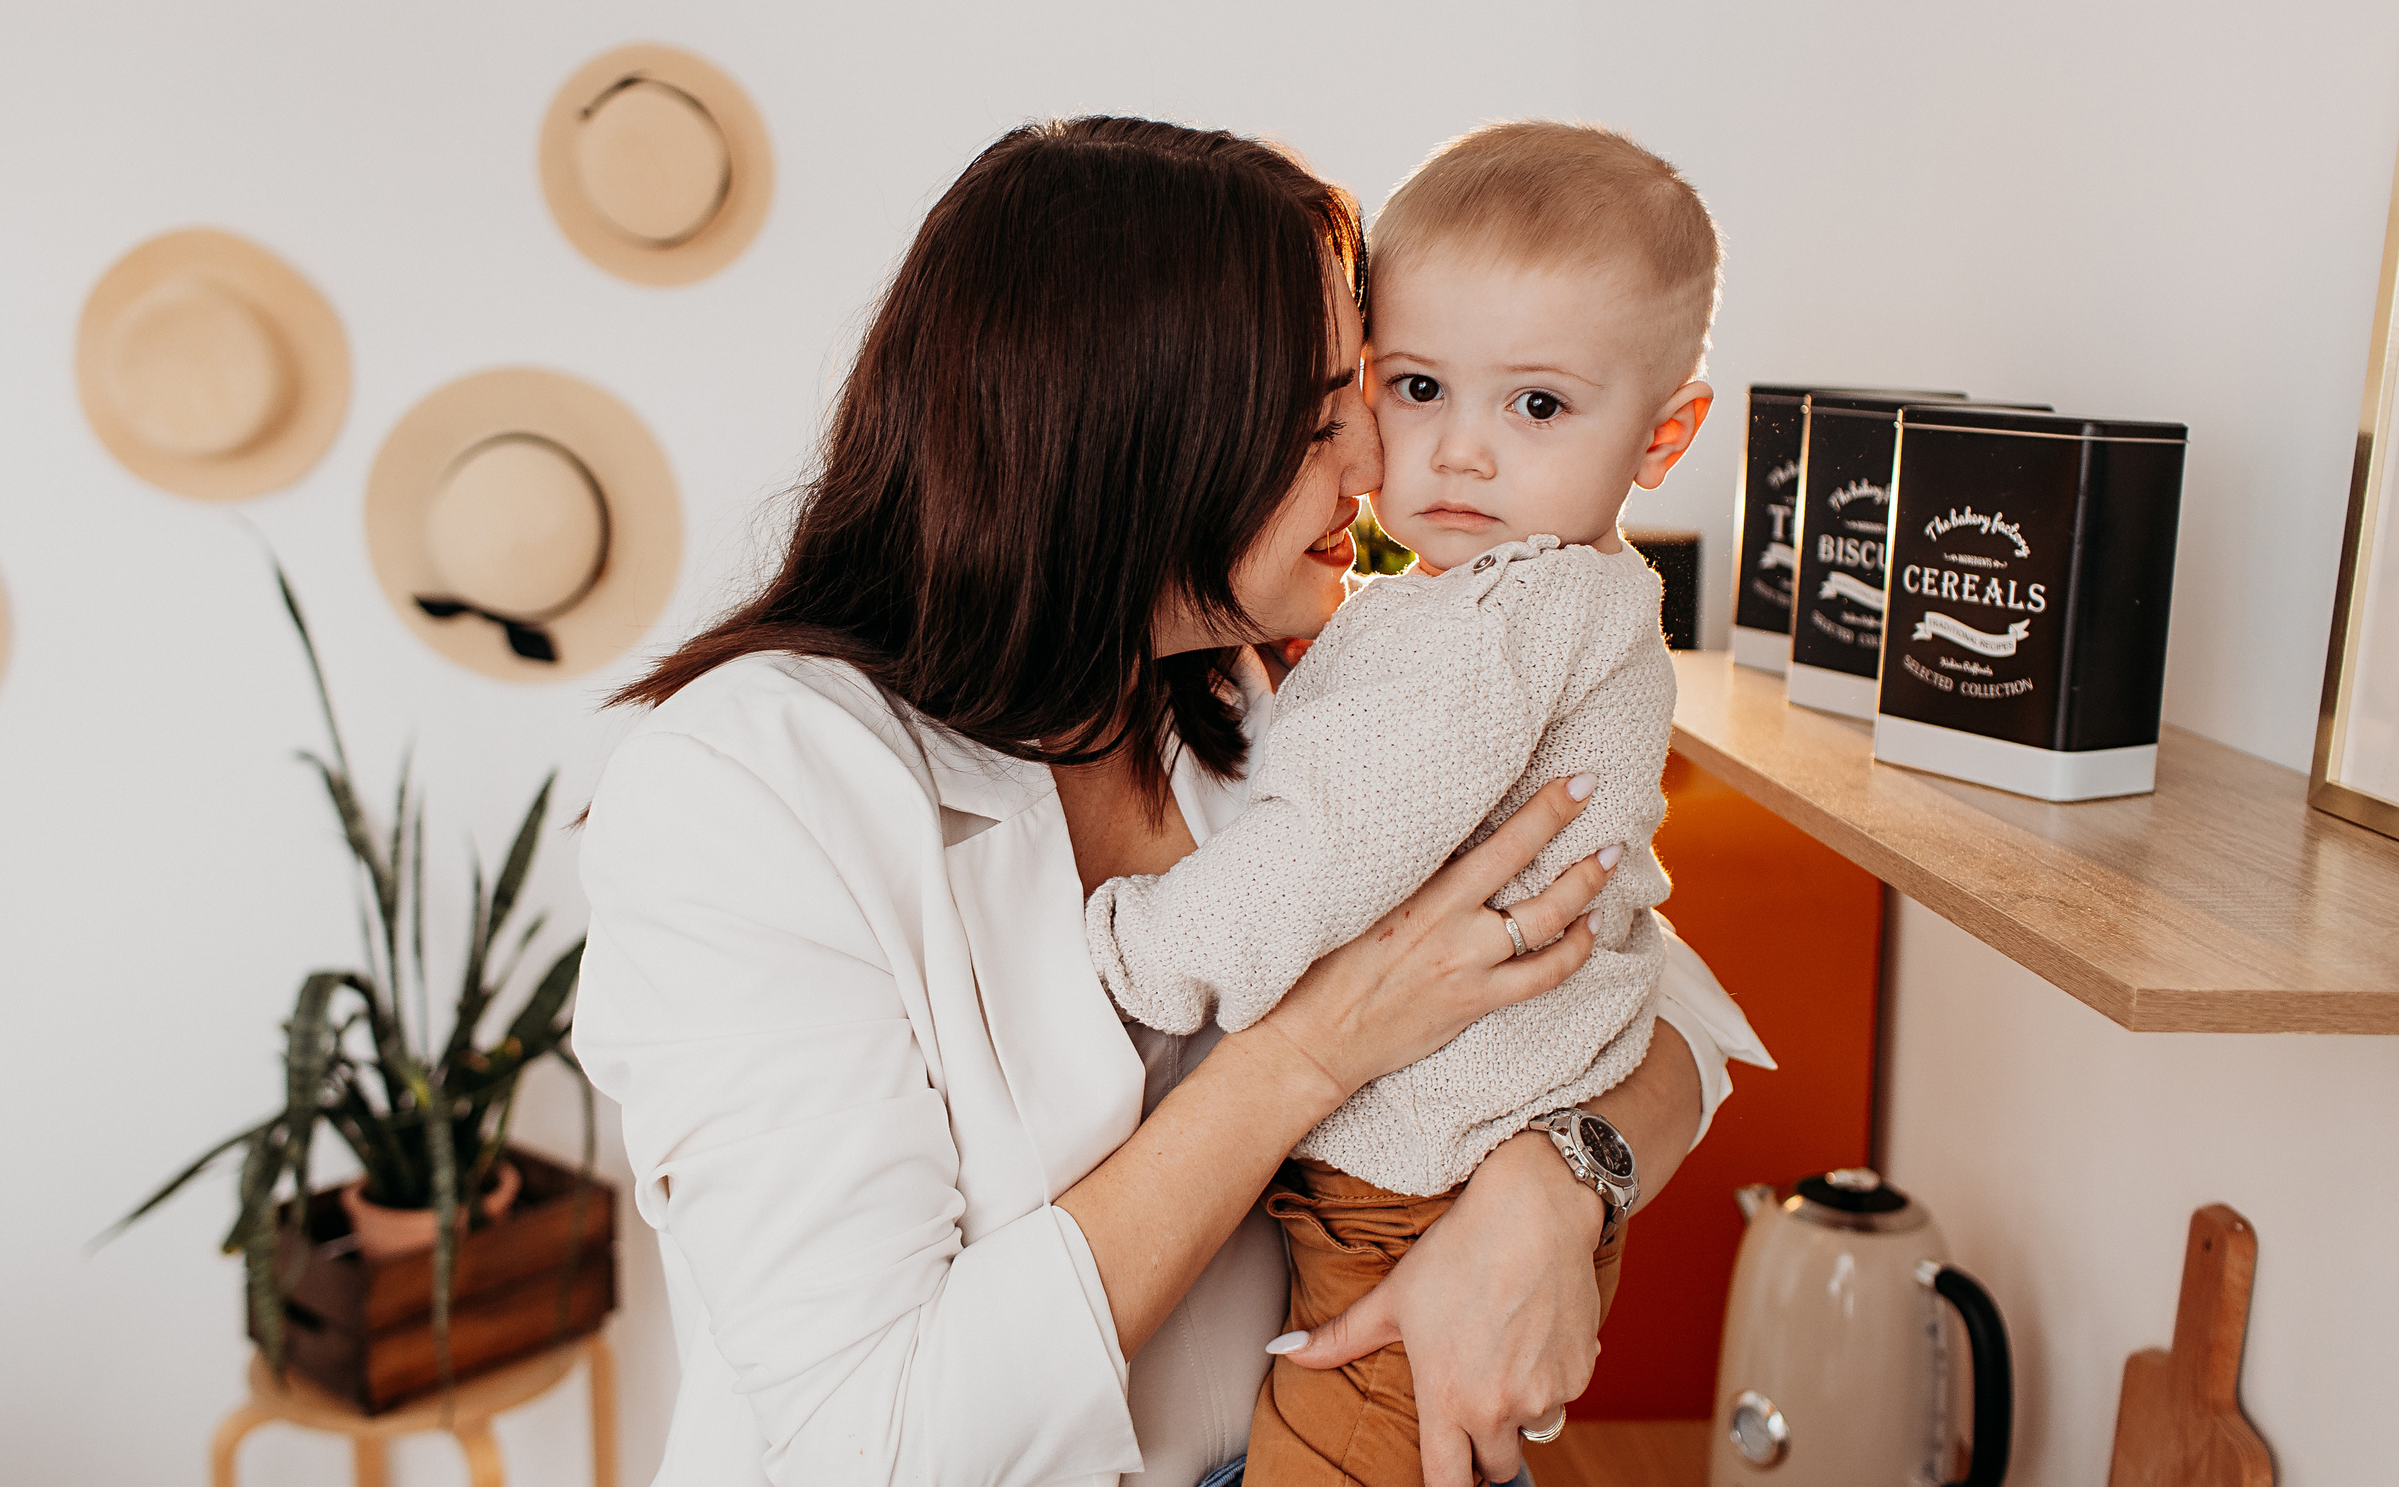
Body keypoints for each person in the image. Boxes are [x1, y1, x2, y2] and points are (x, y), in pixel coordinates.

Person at [572, 116, 1769, 1487]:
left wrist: (1555, 1190)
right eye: (1331, 417)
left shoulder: (1270, 690)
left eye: (1368, 398)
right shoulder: (753, 786)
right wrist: (1312, 1054)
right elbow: (877, 1444)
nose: (1379, 467)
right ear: (1137, 444)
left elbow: (1658, 983)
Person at [1081, 121, 1721, 1485]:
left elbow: (1333, 844)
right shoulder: (1508, 605)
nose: (1453, 455)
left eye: (1536, 406)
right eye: (1417, 386)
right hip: (1443, 1175)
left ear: (1665, 435)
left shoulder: (1490, 626)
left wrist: (1152, 947)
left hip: (1417, 1200)